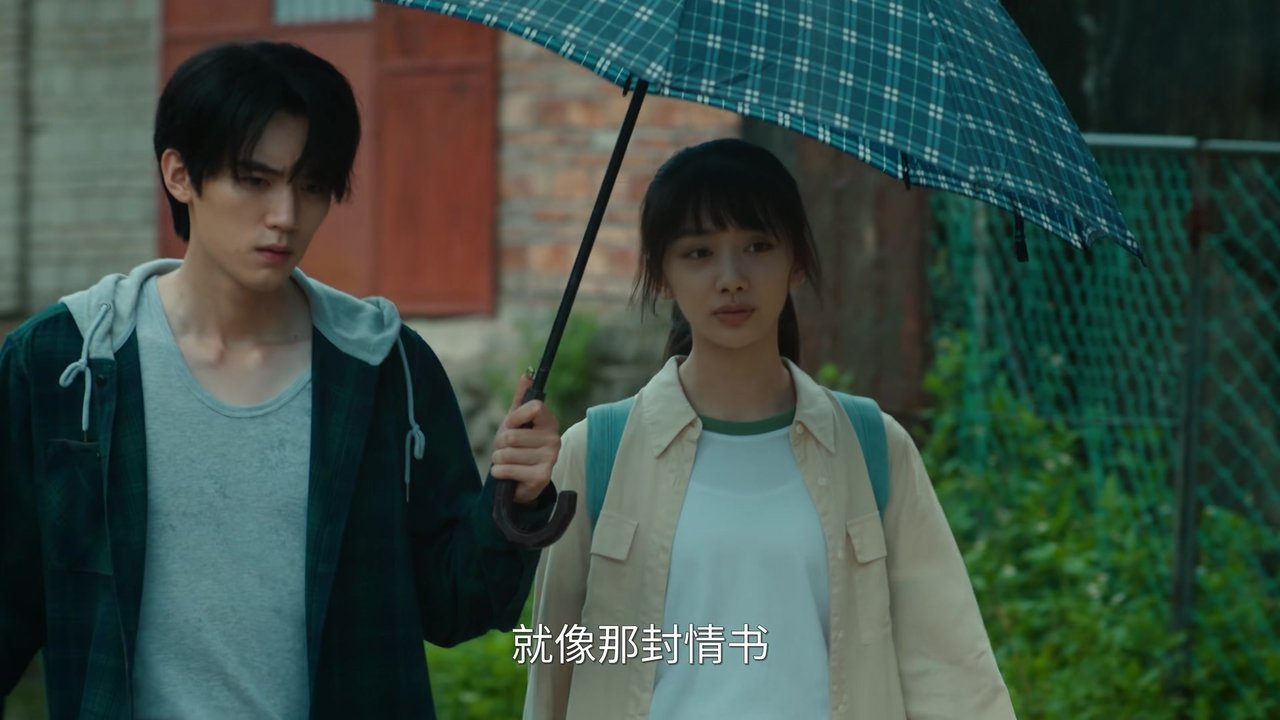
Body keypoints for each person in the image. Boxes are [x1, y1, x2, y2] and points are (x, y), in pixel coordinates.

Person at [0, 41, 563, 718]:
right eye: (254, 180)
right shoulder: (68, 365)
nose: (286, 216)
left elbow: (453, 605)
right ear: (179, 174)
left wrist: (515, 499)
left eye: (311, 186)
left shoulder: (383, 367)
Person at [523, 138, 1016, 719]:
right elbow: (556, 665)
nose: (731, 278)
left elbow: (951, 671)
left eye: (757, 247)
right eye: (698, 253)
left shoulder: (872, 448)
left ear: (797, 262)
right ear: (661, 276)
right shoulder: (596, 452)